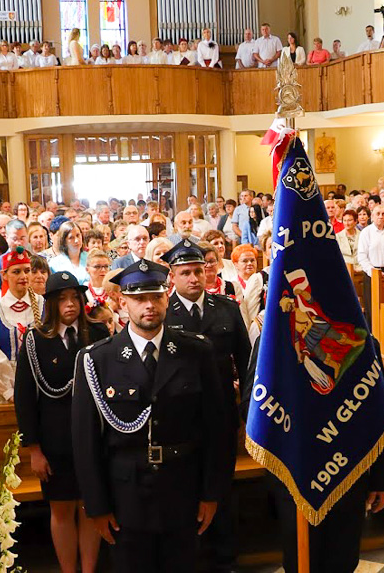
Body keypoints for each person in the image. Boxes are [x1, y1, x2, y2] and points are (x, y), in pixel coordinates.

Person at [71, 259, 229, 573]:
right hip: (125, 495)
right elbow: (85, 440)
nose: (149, 306)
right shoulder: (97, 359)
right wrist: (97, 505)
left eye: (156, 297)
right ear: (122, 302)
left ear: (166, 297)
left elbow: (217, 427)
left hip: (183, 488)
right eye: (139, 299)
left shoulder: (196, 351)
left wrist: (212, 493)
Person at [161, 240, 250, 572]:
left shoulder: (226, 308)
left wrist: (245, 415)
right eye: (186, 273)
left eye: (199, 270)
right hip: (180, 420)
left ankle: (225, 559)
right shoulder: (164, 311)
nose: (195, 278)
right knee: (184, 491)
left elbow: (245, 360)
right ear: (173, 277)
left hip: (221, 414)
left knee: (221, 488)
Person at [15, 271, 108, 573]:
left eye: (75, 298)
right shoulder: (35, 340)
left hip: (94, 438)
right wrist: (34, 449)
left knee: (90, 506)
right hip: (55, 439)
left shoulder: (97, 334)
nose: (70, 305)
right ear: (51, 304)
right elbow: (25, 397)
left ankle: (90, 570)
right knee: (62, 508)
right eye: (62, 299)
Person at [0, 247, 44, 405]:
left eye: (27, 270)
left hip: (39, 385)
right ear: (4, 275)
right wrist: (8, 391)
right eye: (16, 272)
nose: (23, 276)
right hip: (2, 390)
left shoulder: (44, 305)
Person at [357, 204, 384, 324]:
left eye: (383, 214)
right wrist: (373, 272)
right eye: (378, 214)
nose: (380, 217)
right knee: (373, 308)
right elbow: (362, 256)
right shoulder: (366, 232)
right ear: (372, 216)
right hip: (372, 274)